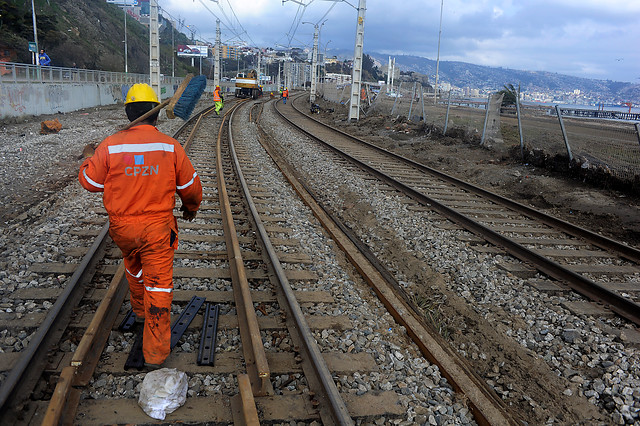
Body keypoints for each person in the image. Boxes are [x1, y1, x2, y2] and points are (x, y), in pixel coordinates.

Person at [78, 83, 202, 367]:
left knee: (134, 269)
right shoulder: (169, 147)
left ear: (128, 113)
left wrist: (89, 159)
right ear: (156, 115)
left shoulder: (111, 145)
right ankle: (156, 355)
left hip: (123, 230)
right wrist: (190, 208)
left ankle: (140, 314)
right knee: (158, 287)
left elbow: (90, 182)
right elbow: (191, 187)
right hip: (157, 230)